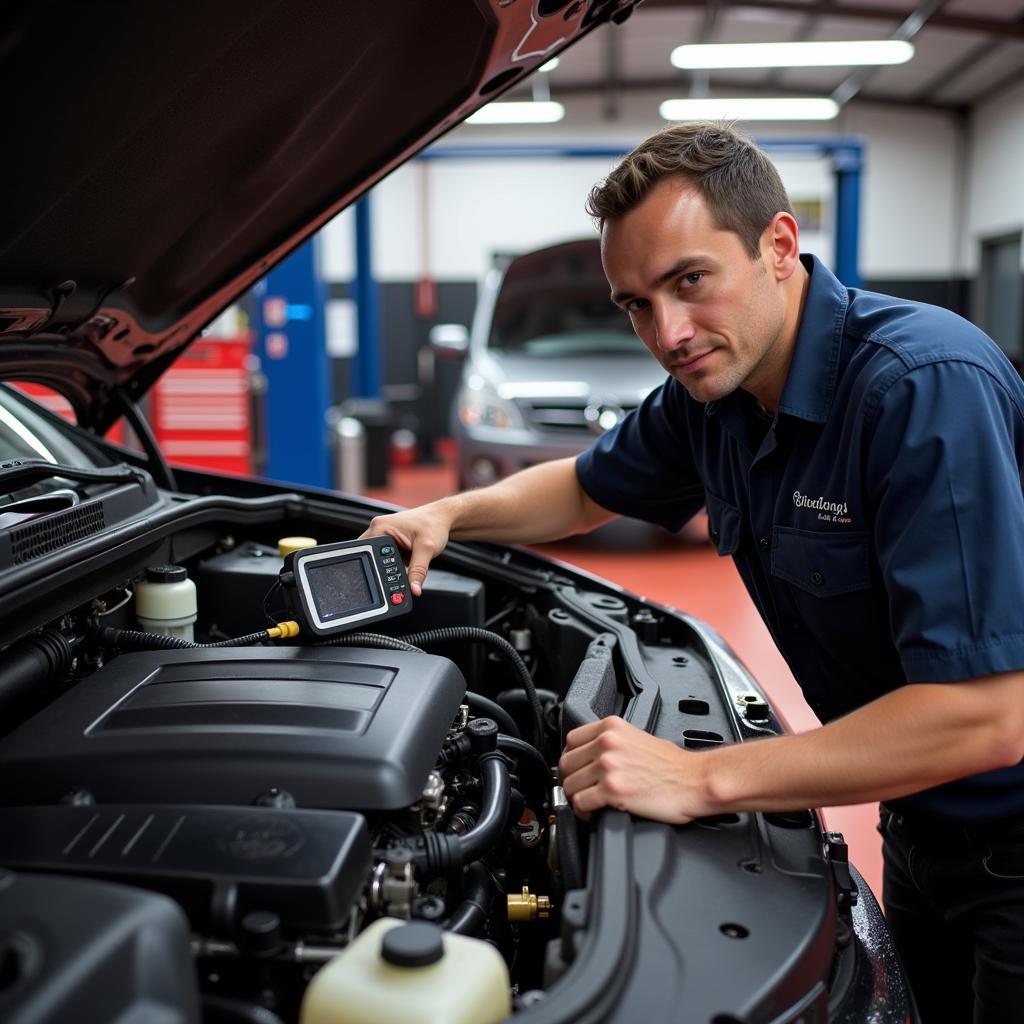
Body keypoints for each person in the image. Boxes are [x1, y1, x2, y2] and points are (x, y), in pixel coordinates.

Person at [363, 122, 1024, 1022]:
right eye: (635, 303)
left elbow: (986, 718)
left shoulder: (919, 386)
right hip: (919, 828)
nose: (667, 332)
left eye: (689, 282)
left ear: (779, 247)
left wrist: (702, 776)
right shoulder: (716, 396)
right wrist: (450, 511)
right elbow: (584, 489)